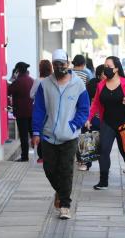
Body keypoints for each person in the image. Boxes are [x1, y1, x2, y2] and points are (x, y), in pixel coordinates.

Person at [32, 49, 90, 219]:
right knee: (49, 169)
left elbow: (84, 108)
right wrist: (36, 131)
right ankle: (61, 191)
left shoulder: (78, 84)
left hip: (69, 136)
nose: (59, 67)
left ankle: (65, 205)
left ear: (68, 63)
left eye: (62, 64)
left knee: (66, 170)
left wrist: (74, 125)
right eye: (56, 64)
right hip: (49, 135)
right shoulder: (45, 84)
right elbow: (39, 109)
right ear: (52, 65)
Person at [85, 56, 125, 190]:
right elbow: (96, 103)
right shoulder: (101, 85)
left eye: (109, 66)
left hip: (124, 123)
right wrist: (89, 118)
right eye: (104, 66)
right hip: (107, 123)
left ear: (116, 68)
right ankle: (103, 181)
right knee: (103, 151)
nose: (106, 69)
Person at [8, 62, 34, 162]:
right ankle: (42, 155)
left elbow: (8, 91)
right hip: (31, 112)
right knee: (33, 134)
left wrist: (12, 78)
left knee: (23, 136)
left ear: (17, 70)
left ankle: (25, 157)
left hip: (21, 113)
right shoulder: (31, 80)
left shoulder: (18, 82)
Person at [30, 59, 53, 163]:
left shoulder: (38, 80)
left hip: (39, 108)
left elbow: (31, 95)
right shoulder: (53, 80)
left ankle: (41, 155)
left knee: (40, 130)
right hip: (51, 109)